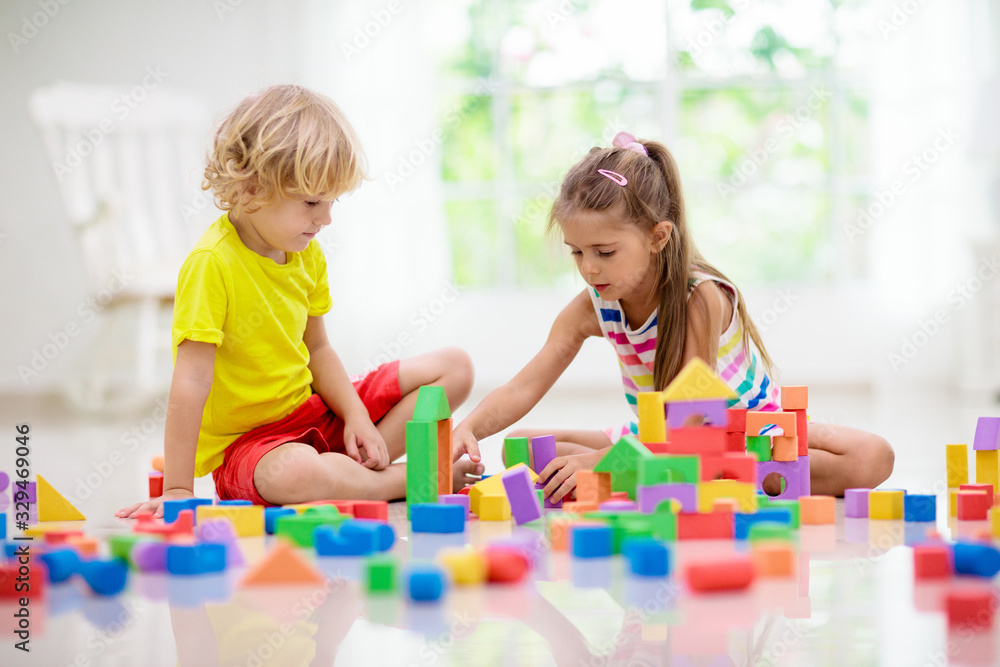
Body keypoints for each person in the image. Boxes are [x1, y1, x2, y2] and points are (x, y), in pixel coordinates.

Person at [452, 132, 893, 502]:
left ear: (658, 237)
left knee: (873, 457)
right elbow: (525, 385)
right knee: (521, 448)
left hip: (736, 437)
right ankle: (639, 471)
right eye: (578, 252)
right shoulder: (594, 305)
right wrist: (468, 427)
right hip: (659, 439)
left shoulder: (701, 297)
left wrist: (596, 463)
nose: (589, 268)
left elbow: (692, 419)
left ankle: (650, 474)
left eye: (605, 252)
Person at [118, 85, 481, 518]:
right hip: (255, 448)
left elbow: (319, 349)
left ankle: (349, 470)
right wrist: (178, 488)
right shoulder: (211, 264)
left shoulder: (306, 252)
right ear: (251, 188)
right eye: (312, 202)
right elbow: (191, 382)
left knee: (455, 367)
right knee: (292, 476)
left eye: (331, 202)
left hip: (316, 413)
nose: (325, 219)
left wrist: (356, 418)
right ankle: (407, 479)